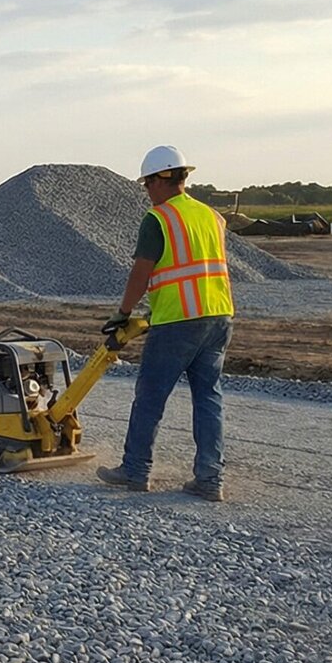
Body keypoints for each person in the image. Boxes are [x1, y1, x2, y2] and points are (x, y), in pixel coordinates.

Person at [95, 146, 234, 501]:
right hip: (218, 316)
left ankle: (135, 470)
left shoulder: (159, 219)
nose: (146, 190)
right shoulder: (211, 216)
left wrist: (122, 314)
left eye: (147, 183)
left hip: (178, 321)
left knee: (150, 397)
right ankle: (209, 480)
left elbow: (142, 271)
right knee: (208, 398)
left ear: (161, 179)